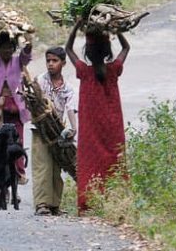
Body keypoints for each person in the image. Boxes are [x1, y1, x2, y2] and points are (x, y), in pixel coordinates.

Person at [65, 20, 129, 214]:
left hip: (90, 130)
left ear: (88, 51)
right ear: (108, 50)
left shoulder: (84, 71)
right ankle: (115, 198)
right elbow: (126, 47)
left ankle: (89, 201)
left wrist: (76, 26)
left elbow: (68, 48)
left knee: (89, 160)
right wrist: (117, 31)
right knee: (113, 159)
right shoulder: (113, 70)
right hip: (113, 127)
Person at [0, 14, 33, 184]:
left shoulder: (19, 62)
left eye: (11, 48)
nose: (7, 51)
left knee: (15, 142)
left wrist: (23, 30)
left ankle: (16, 176)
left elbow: (28, 49)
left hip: (16, 106)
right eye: (4, 48)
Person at [31, 46, 78, 216]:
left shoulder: (68, 88)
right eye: (48, 61)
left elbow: (71, 109)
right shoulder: (39, 81)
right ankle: (42, 203)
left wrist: (73, 128)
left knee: (56, 168)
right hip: (40, 130)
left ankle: (54, 204)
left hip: (58, 131)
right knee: (42, 166)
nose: (50, 64)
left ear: (63, 63)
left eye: (55, 61)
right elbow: (30, 99)